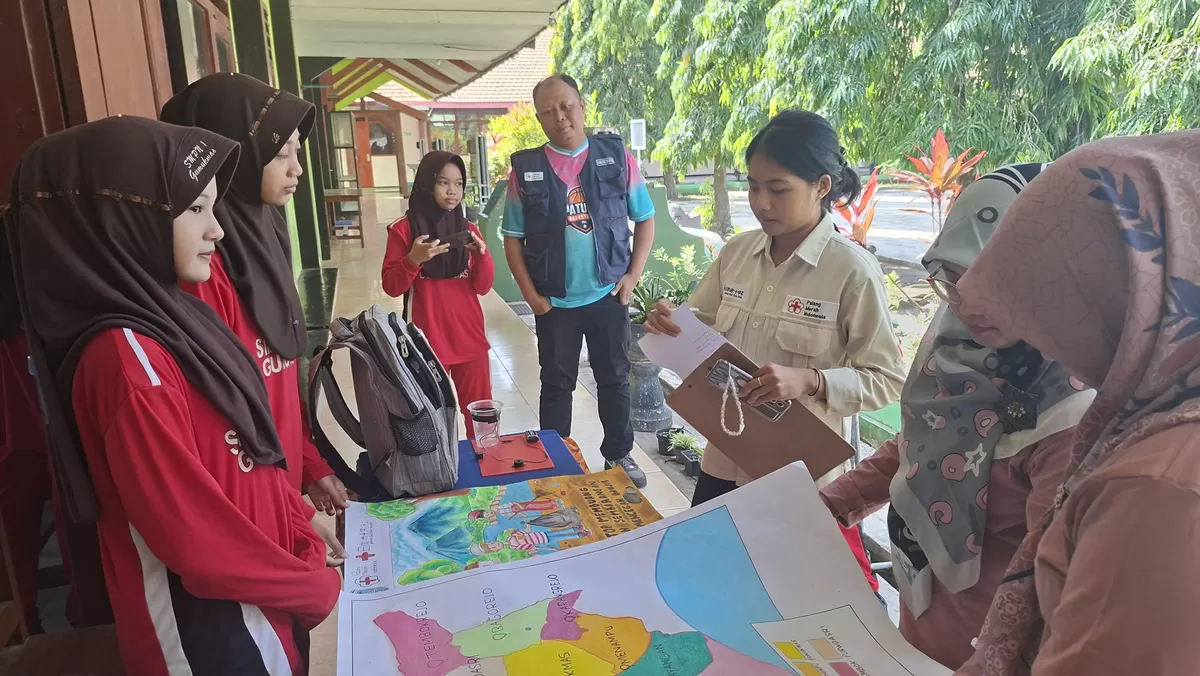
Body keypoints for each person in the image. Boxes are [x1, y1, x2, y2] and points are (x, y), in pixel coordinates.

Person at [7, 115, 339, 674]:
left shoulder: (178, 321)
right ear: (121, 220)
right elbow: (197, 542)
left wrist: (299, 531)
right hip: (209, 637)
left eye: (212, 207)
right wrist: (315, 587)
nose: (218, 230)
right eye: (194, 210)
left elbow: (246, 456)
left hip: (257, 603)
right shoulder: (128, 362)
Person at [818, 164, 1095, 670]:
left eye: (993, 281)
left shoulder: (1071, 414)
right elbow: (923, 443)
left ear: (1051, 279)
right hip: (922, 610)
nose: (968, 304)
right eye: (953, 278)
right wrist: (833, 502)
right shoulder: (957, 349)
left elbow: (1052, 577)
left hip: (997, 645)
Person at [952, 131, 1200, 674]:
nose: (1040, 340)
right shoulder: (1158, 432)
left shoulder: (1155, 488)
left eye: (1048, 309)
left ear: (1125, 299)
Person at [643, 110, 905, 588]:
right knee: (705, 583)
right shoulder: (737, 254)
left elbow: (887, 378)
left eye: (778, 189)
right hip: (724, 458)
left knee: (787, 602)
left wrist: (812, 380)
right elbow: (697, 328)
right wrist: (667, 322)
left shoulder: (852, 272)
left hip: (799, 479)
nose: (761, 203)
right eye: (753, 187)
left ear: (822, 186)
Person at [160, 72, 348, 518]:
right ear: (232, 153)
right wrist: (291, 515)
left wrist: (309, 465)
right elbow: (224, 425)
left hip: (277, 493)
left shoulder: (267, 235)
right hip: (247, 507)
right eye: (279, 152)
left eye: (296, 152)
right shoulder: (204, 269)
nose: (296, 168)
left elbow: (278, 375)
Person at [501, 74, 656, 488]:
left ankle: (619, 455)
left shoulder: (616, 157)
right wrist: (531, 296)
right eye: (548, 112)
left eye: (566, 106)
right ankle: (556, 460)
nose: (560, 117)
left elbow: (645, 219)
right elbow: (512, 239)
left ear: (582, 105)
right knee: (556, 385)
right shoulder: (526, 168)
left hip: (608, 294)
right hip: (555, 303)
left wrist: (632, 278)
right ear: (539, 119)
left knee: (614, 379)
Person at [382, 151, 495, 437]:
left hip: (470, 340)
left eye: (458, 184)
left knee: (481, 421)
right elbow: (392, 285)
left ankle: (486, 476)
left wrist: (481, 256)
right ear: (426, 183)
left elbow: (482, 287)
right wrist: (413, 259)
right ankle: (444, 480)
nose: (452, 191)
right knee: (434, 424)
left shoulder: (468, 230)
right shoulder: (404, 230)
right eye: (443, 182)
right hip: (427, 344)